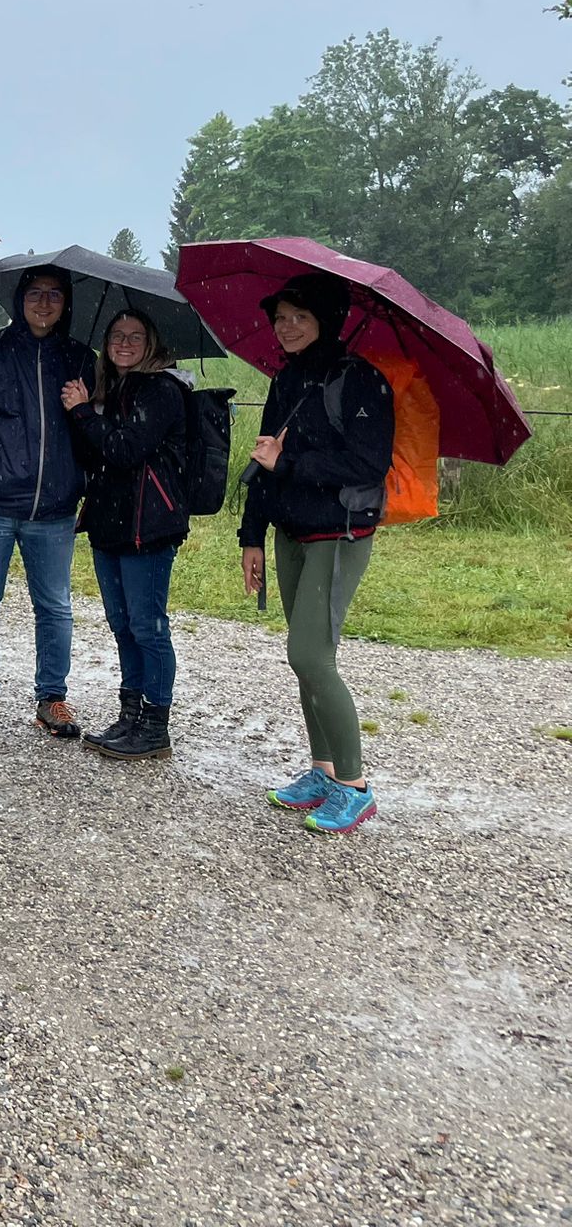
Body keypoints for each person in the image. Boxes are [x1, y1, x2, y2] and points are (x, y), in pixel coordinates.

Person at [237, 273, 394, 835]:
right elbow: (264, 460)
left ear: (326, 320)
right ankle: (324, 771)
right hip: (291, 531)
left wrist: (292, 465)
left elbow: (368, 464)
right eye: (280, 318)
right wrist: (251, 536)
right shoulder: (287, 379)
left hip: (340, 532)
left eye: (299, 317)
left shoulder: (361, 381)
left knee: (310, 656)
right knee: (305, 658)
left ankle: (354, 786)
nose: (286, 327)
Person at [0, 267, 97, 738]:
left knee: (55, 608)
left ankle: (52, 698)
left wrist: (84, 414)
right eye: (35, 293)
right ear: (19, 299)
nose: (44, 303)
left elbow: (95, 435)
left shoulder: (80, 358)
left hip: (56, 508)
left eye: (54, 294)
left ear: (66, 302)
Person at [60, 309, 190, 760]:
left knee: (148, 627)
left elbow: (124, 449)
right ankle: (130, 714)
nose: (125, 343)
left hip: (148, 526)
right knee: (122, 625)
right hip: (110, 523)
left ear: (151, 343)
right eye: (117, 335)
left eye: (136, 336)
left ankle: (155, 726)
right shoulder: (112, 389)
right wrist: (83, 412)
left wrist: (82, 412)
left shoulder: (163, 390)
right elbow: (92, 452)